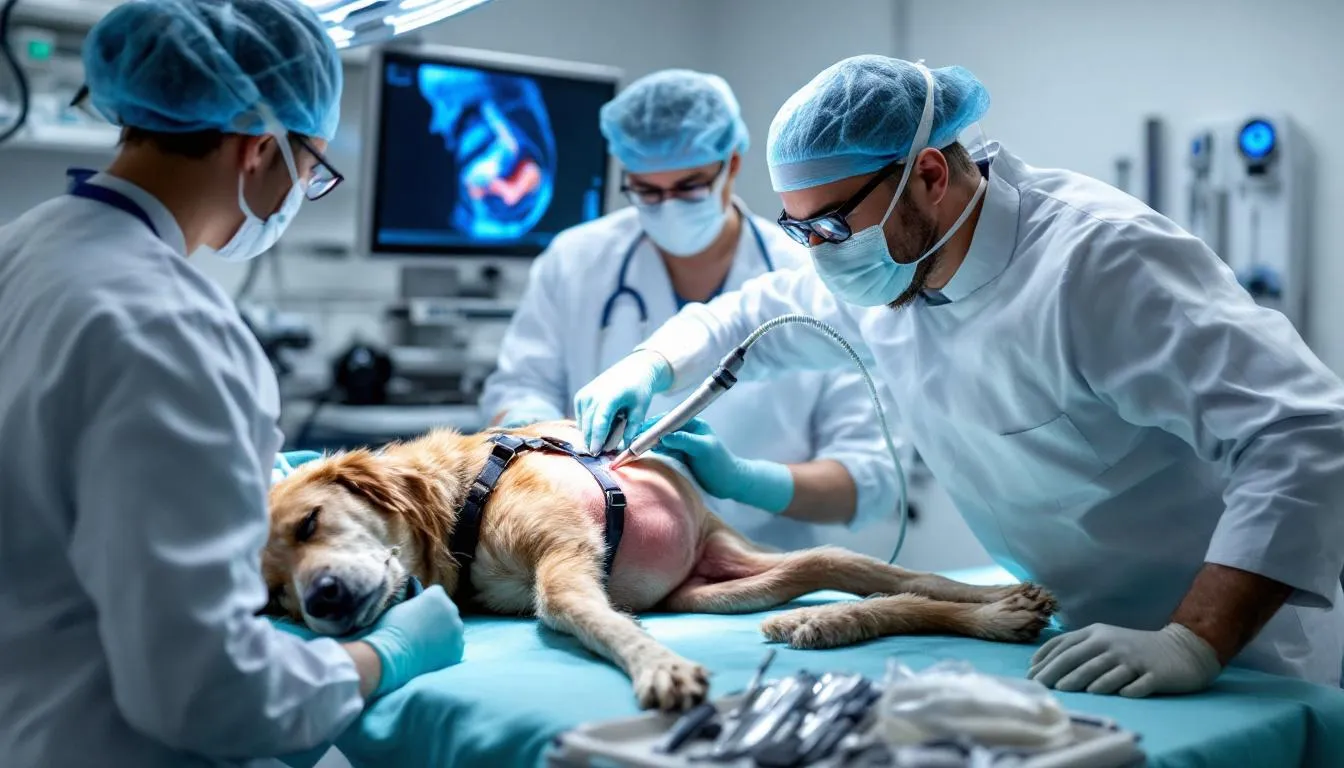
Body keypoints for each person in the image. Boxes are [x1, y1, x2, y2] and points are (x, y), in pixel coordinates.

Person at [575, 54, 1344, 696]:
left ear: (931, 175)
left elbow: (1304, 436)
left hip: (1239, 657)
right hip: (1066, 633)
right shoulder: (885, 268)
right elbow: (747, 318)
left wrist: (1194, 640)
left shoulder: (1099, 262)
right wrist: (650, 364)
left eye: (832, 226)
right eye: (797, 229)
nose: (819, 253)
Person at [0, 2, 464, 766]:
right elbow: (209, 692)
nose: (306, 184)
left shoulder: (25, 249)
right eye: (314, 164)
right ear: (258, 150)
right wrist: (386, 656)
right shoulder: (170, 327)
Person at [479, 69, 899, 551]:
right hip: (604, 550)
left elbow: (871, 477)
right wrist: (555, 442)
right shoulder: (575, 261)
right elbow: (517, 388)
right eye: (647, 191)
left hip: (762, 557)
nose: (669, 206)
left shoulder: (811, 279)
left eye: (690, 186)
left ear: (732, 164)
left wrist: (746, 481)